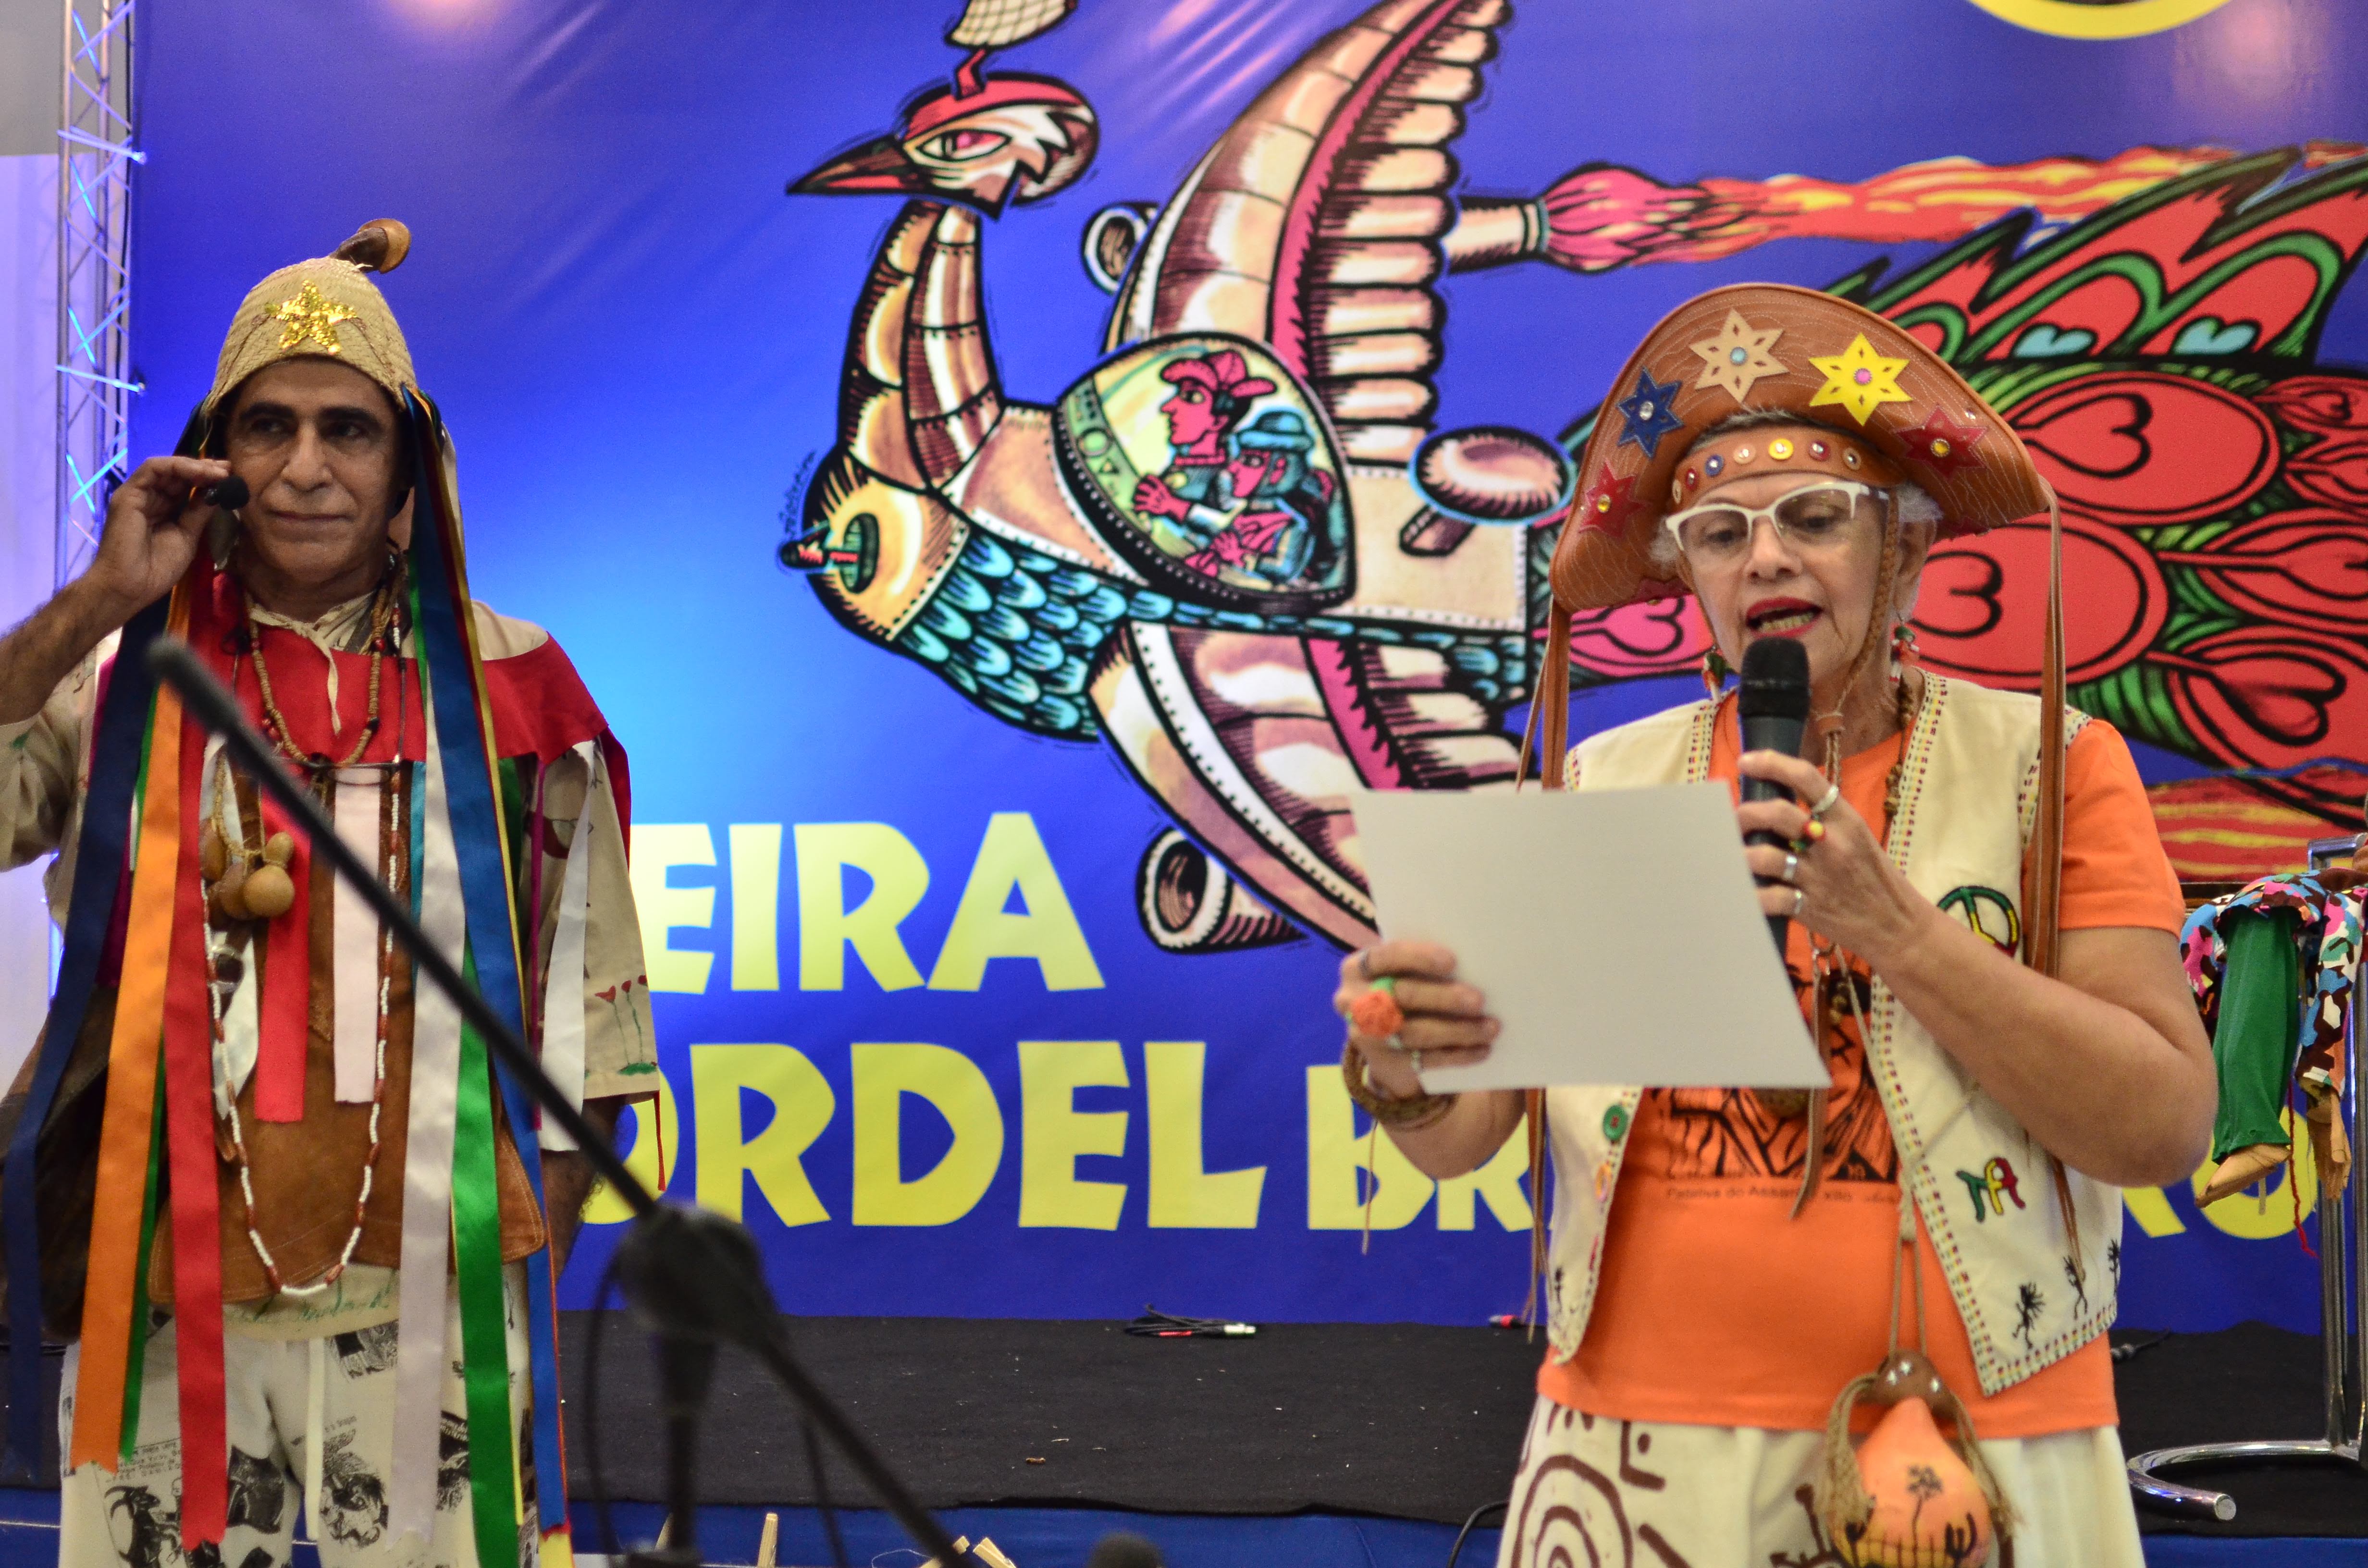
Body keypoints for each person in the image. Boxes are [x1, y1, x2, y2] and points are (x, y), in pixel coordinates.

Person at [1332, 285, 2213, 1565]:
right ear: (1688, 573)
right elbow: (1463, 1140)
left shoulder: (2049, 764)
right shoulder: (1602, 785)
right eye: (1722, 533)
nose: (1767, 561)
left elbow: (2162, 1126)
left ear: (1905, 551)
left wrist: (1899, 932)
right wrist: (1404, 1063)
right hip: (1632, 1449)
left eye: (1814, 518)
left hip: (1965, 1455)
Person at [0, 225, 655, 1568]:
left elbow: (594, 1021)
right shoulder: (118, 676)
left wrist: (520, 1275)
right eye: (270, 427)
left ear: (410, 469)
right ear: (215, 461)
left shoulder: (517, 686)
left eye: (348, 431)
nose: (306, 467)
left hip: (434, 1297)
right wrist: (100, 597)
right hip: (154, 1291)